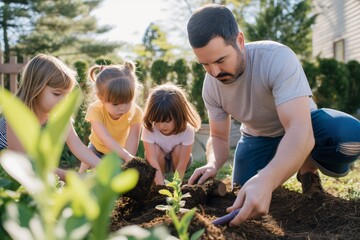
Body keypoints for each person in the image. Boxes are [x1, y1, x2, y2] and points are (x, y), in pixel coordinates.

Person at [186, 4, 360, 225]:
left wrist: (267, 180)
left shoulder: (276, 58)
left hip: (304, 126)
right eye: (205, 64)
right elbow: (219, 137)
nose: (214, 72)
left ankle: (307, 167)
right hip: (257, 137)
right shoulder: (211, 86)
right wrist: (212, 163)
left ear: (239, 41)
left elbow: (299, 130)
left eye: (220, 60)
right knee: (244, 188)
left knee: (347, 137)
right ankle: (282, 164)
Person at [0, 53, 101, 179]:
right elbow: (25, 164)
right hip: (8, 172)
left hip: (34, 170)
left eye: (67, 94)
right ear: (35, 89)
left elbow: (78, 147)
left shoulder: (57, 113)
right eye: (57, 94)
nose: (63, 101)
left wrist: (104, 167)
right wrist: (74, 178)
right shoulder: (16, 116)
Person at [79, 61, 142, 172]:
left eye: (127, 102)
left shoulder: (136, 112)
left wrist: (128, 160)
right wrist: (126, 156)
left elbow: (133, 139)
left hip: (119, 153)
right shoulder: (95, 110)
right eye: (115, 104)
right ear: (101, 98)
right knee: (83, 176)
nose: (122, 108)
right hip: (96, 150)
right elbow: (105, 137)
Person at [141, 83, 201, 185]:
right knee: (154, 150)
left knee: (178, 149)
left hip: (178, 160)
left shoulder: (187, 130)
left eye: (167, 121)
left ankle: (174, 180)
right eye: (157, 121)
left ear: (178, 116)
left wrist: (175, 187)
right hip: (158, 161)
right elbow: (152, 159)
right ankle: (160, 178)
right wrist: (161, 187)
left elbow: (182, 163)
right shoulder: (149, 128)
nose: (162, 126)